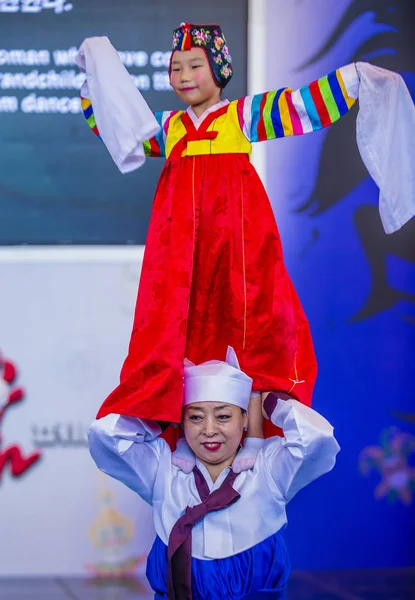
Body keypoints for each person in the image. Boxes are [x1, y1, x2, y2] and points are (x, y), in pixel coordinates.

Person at [77, 22, 361, 436]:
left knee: (249, 330)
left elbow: (299, 106)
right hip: (179, 252)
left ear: (219, 69)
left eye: (196, 65)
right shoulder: (170, 128)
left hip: (238, 244)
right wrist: (91, 77)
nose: (185, 76)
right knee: (179, 330)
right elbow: (116, 125)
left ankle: (254, 438)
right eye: (177, 68)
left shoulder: (240, 116)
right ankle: (178, 435)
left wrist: (352, 80)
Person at [88, 347, 340, 599]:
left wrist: (272, 403)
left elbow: (317, 437)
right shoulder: (163, 469)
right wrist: (163, 413)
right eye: (195, 417)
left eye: (223, 416)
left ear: (244, 418)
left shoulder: (269, 468)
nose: (209, 430)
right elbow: (106, 435)